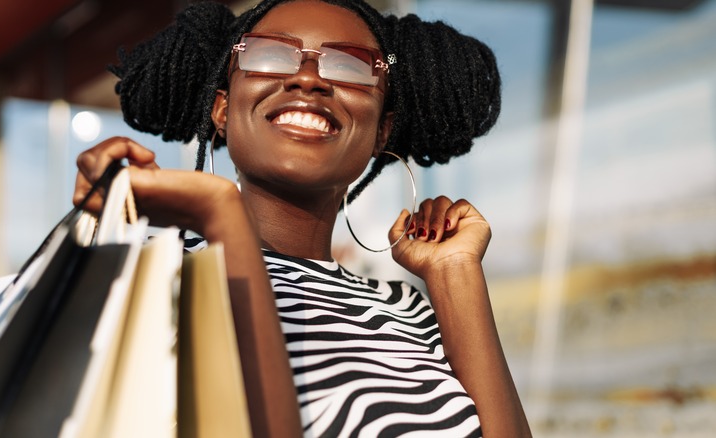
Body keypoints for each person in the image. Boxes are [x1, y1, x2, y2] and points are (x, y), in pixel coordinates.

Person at [73, 0, 531, 436]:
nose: (308, 79)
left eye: (349, 65)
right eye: (271, 55)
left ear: (381, 131)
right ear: (223, 110)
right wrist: (220, 216)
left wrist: (456, 276)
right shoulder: (144, 272)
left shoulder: (407, 310)